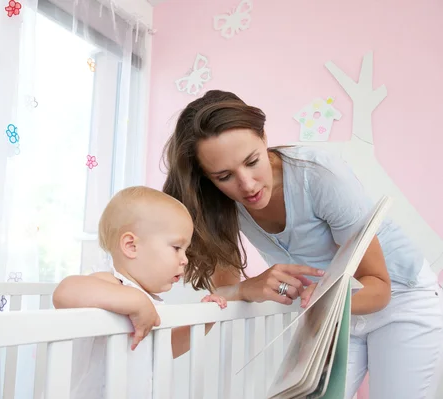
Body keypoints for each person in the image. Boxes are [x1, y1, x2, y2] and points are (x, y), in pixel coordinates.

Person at [161, 89, 443, 399]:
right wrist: (248, 287)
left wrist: (320, 298)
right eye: (225, 175)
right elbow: (226, 294)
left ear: (264, 137)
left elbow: (378, 287)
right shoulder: (217, 206)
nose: (247, 184)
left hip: (400, 299)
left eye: (253, 161)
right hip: (329, 312)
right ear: (207, 177)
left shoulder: (319, 175)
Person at [52, 185, 227, 399]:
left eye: (186, 250)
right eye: (176, 248)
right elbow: (64, 292)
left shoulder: (150, 303)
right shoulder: (112, 283)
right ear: (131, 246)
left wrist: (202, 322)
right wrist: (134, 300)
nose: (185, 259)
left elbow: (164, 347)